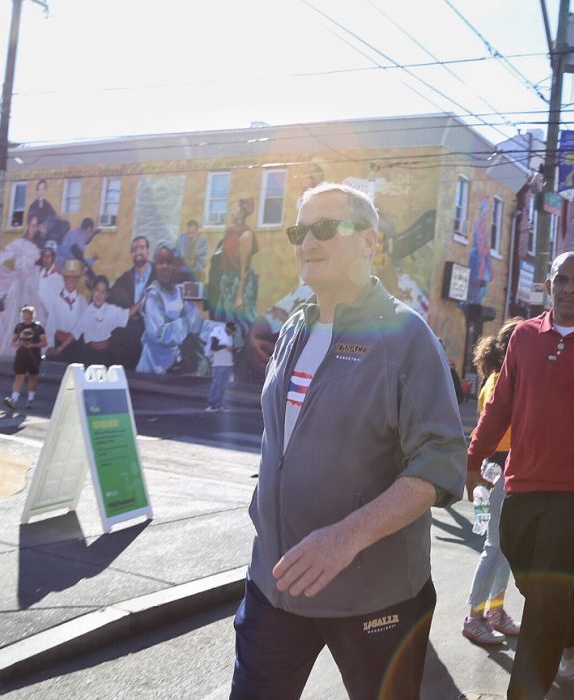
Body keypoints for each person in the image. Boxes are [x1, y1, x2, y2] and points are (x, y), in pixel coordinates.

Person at [230, 183, 465, 699]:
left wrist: (344, 537)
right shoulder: (295, 327)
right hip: (276, 582)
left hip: (373, 600)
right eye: (299, 230)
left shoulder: (406, 337)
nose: (307, 241)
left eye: (325, 227)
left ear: (368, 242)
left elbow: (442, 461)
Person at [466, 251, 574, 699]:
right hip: (523, 480)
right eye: (561, 279)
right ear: (549, 285)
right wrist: (473, 458)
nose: (569, 288)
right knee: (526, 574)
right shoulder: (525, 338)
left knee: (543, 600)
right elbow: (501, 404)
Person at [462, 317, 523, 647]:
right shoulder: (501, 381)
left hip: (495, 470)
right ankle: (474, 617)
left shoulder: (500, 378)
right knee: (494, 545)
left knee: (505, 547)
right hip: (497, 469)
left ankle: (495, 611)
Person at [137, 245, 219, 375]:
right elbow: (160, 334)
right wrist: (186, 323)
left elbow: (197, 326)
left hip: (176, 365)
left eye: (168, 262)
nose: (165, 266)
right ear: (155, 265)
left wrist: (221, 330)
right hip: (155, 369)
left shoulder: (180, 292)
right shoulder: (153, 296)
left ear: (174, 266)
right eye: (161, 262)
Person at [107, 235, 155, 371]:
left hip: (152, 333)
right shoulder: (125, 279)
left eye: (141, 248)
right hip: (128, 337)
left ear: (148, 251)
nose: (138, 252)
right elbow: (111, 299)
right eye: (134, 249)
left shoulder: (159, 277)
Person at [0, 225, 42, 354]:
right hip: (18, 284)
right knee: (13, 314)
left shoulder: (36, 249)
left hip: (29, 286)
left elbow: (34, 268)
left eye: (35, 226)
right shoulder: (19, 244)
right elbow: (5, 256)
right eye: (32, 225)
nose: (33, 229)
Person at [72, 275, 131, 367]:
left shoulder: (111, 310)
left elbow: (127, 313)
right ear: (92, 291)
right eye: (97, 290)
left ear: (107, 295)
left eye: (103, 292)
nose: (99, 295)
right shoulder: (86, 312)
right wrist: (59, 348)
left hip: (106, 355)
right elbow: (75, 333)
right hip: (90, 355)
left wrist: (142, 299)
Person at [43, 260, 87, 363]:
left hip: (75, 347)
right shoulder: (56, 300)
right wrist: (50, 347)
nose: (71, 281)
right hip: (57, 344)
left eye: (74, 278)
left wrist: (61, 348)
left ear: (78, 280)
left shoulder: (82, 302)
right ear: (64, 279)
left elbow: (79, 329)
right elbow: (50, 325)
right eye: (68, 278)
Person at [3, 306, 46, 410]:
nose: (25, 317)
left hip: (33, 355)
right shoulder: (19, 326)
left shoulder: (38, 327)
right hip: (21, 354)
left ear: (32, 316)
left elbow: (44, 342)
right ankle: (14, 400)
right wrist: (19, 343)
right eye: (24, 315)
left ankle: (30, 399)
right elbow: (13, 342)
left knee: (32, 377)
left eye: (27, 315)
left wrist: (33, 345)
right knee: (19, 376)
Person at [205, 321, 237, 412]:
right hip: (218, 364)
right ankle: (211, 405)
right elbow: (214, 347)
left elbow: (230, 349)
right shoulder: (218, 332)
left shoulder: (230, 337)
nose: (232, 332)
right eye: (231, 330)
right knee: (216, 385)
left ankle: (221, 404)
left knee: (224, 386)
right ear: (227, 327)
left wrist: (232, 349)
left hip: (228, 364)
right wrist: (225, 347)